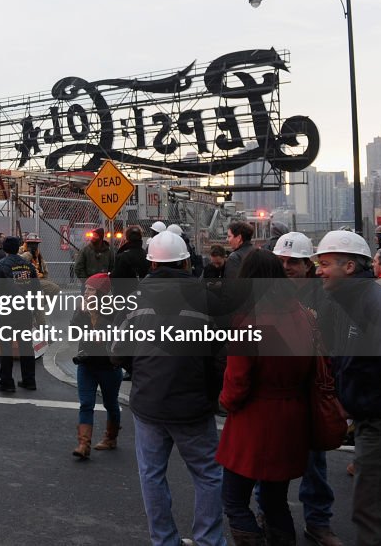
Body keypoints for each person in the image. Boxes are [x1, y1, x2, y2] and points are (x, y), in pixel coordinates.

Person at [111, 231, 228, 546]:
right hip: (193, 405)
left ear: (151, 265)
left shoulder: (133, 298)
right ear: (187, 262)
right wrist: (210, 393)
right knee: (207, 473)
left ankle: (164, 540)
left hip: (148, 403)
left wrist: (141, 372)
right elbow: (221, 357)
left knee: (151, 475)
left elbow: (118, 351)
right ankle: (208, 540)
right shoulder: (208, 298)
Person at [216, 250, 315, 545]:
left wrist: (225, 401)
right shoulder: (302, 314)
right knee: (275, 500)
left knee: (234, 499)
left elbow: (237, 382)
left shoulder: (249, 322)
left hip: (255, 420)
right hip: (292, 415)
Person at [315, 230, 381, 546]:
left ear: (349, 267)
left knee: (372, 513)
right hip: (373, 420)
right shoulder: (360, 300)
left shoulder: (374, 301)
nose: (318, 270)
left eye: (325, 263)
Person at [272, 231, 344, 546]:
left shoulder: (324, 299)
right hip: (275, 394)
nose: (287, 267)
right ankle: (269, 516)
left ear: (307, 266)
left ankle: (318, 522)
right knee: (270, 464)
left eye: (294, 262)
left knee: (315, 465)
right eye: (283, 261)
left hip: (311, 392)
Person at [69, 272, 124, 460]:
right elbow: (73, 333)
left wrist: (100, 332)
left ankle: (111, 437)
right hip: (86, 364)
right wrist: (81, 313)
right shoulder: (82, 308)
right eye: (86, 288)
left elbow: (117, 334)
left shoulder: (113, 309)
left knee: (110, 403)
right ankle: (84, 444)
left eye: (91, 289)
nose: (86, 292)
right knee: (86, 404)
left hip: (108, 366)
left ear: (101, 292)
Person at [0, 236, 39, 393]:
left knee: (6, 346)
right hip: (24, 310)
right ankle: (29, 380)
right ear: (18, 247)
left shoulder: (0, 265)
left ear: (4, 248)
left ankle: (7, 382)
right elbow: (35, 289)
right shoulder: (27, 265)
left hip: (7, 310)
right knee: (26, 345)